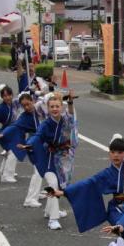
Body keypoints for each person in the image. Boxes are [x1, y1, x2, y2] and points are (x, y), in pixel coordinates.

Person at [27, 92, 79, 230]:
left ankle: (49, 211)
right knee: (53, 185)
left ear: (61, 107)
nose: (55, 109)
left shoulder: (65, 120)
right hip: (49, 158)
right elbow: (37, 136)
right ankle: (53, 219)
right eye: (52, 107)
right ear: (48, 109)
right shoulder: (45, 124)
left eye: (57, 106)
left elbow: (71, 115)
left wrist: (71, 103)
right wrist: (30, 144)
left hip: (63, 158)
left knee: (61, 185)